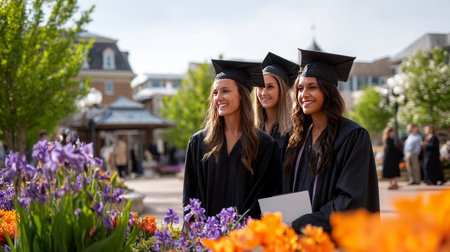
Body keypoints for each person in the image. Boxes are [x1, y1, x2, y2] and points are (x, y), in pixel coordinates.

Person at [283, 49, 380, 233]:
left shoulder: (353, 136)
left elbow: (351, 201)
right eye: (300, 88)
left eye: (312, 87)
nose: (303, 94)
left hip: (334, 240)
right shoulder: (298, 139)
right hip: (298, 240)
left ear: (328, 91)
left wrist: (301, 224)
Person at [183, 59, 283, 219]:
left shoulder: (265, 145)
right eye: (215, 93)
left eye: (225, 91)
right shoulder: (199, 143)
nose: (218, 97)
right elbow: (189, 199)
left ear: (241, 95)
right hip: (207, 239)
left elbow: (271, 198)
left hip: (248, 240)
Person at [254, 52, 299, 161]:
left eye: (270, 87)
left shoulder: (295, 130)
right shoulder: (251, 128)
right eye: (260, 87)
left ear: (282, 91)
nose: (263, 92)